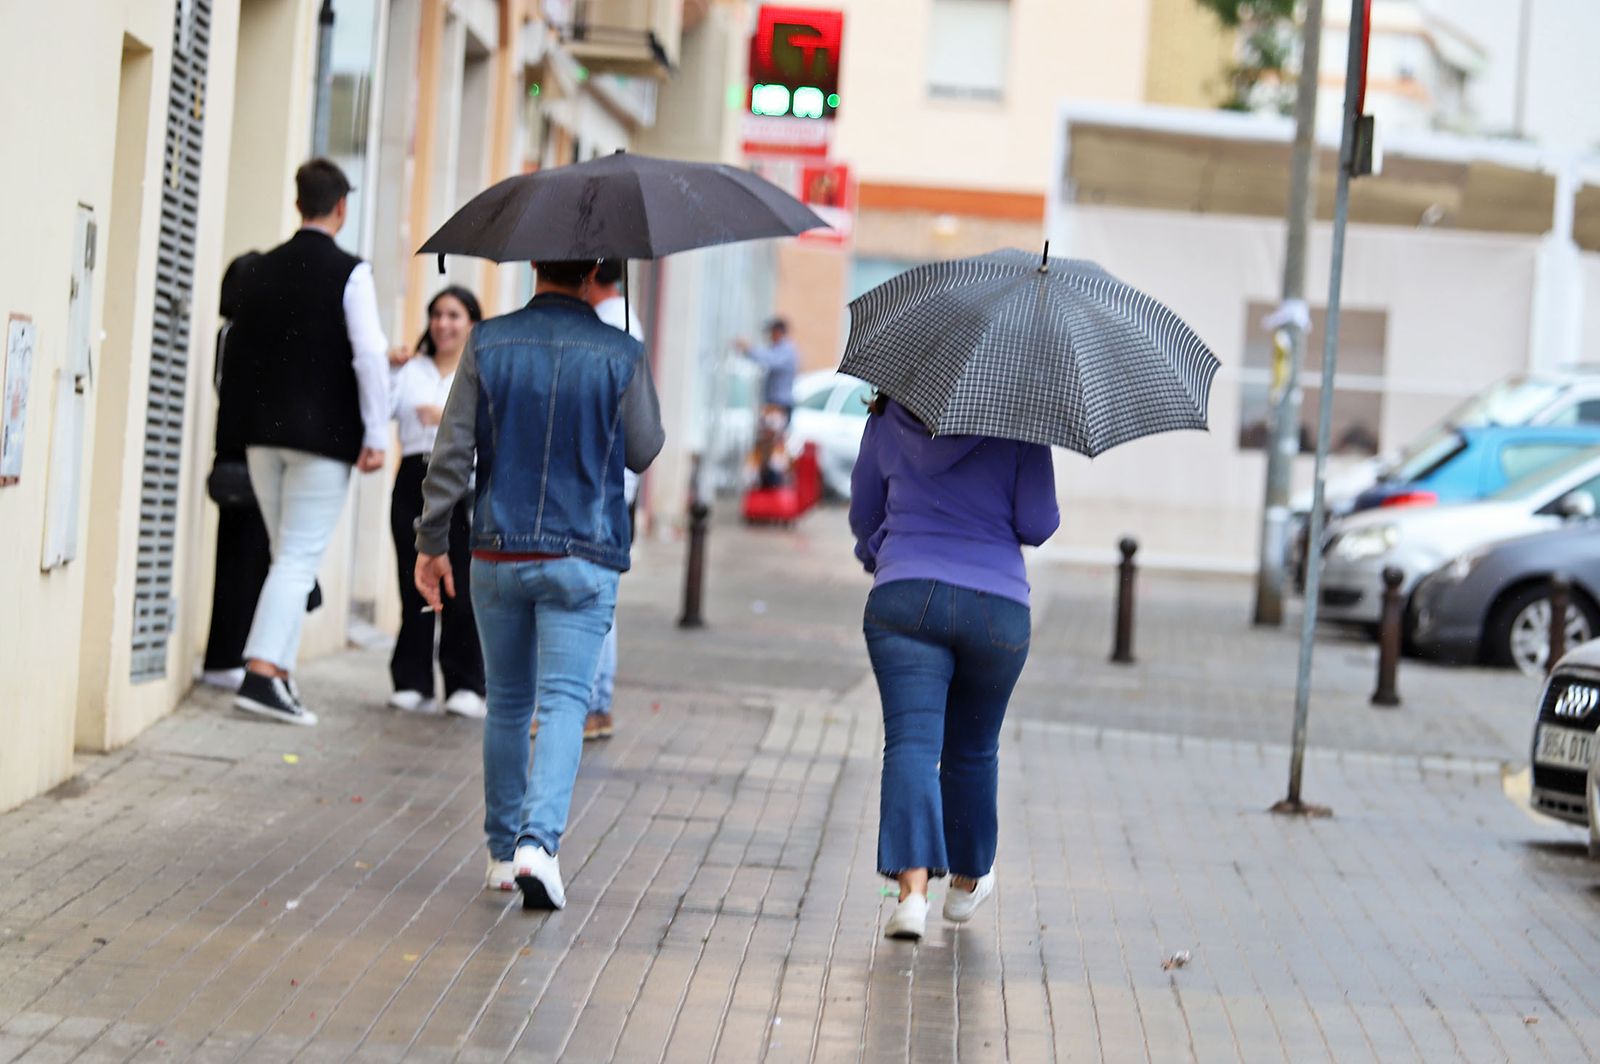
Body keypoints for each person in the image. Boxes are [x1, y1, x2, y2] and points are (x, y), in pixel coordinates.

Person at [414, 259, 664, 906]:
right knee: (562, 703)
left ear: (532, 264)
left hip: (497, 549)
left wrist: (432, 541)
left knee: (507, 703)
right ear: (593, 270)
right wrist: (628, 372)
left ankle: (502, 854)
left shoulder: (488, 342)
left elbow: (451, 454)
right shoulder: (620, 350)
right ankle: (538, 844)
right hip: (583, 554)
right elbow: (644, 448)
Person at [848, 395, 1059, 942]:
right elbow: (1037, 523)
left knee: (911, 745)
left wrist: (881, 554)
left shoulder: (888, 414)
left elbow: (864, 513)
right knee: (974, 748)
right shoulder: (1022, 417)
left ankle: (911, 897)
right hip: (997, 608)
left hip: (904, 596)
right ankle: (966, 882)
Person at [224, 158, 389, 725]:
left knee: (286, 557)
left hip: (260, 438)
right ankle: (261, 673)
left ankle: (280, 675)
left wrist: (237, 429)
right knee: (297, 558)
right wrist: (376, 432)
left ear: (299, 203)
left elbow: (238, 354)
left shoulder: (257, 269)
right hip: (323, 439)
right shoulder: (351, 272)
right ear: (341, 206)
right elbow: (369, 356)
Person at [200, 251, 323, 689]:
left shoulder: (250, 334)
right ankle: (227, 658)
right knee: (241, 560)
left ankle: (234, 656)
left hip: (249, 456)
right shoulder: (235, 334)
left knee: (250, 558)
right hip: (242, 458)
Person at [386, 287, 487, 718]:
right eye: (437, 314)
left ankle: (466, 684)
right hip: (413, 476)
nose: (443, 324)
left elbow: (491, 426)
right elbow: (381, 408)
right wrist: (389, 368)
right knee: (412, 581)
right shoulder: (412, 369)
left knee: (459, 583)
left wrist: (445, 417)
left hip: (461, 482)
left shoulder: (481, 371)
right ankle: (412, 680)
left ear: (472, 323)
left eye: (454, 315)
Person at [581, 259, 643, 741]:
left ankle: (595, 702)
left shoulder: (608, 328)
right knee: (599, 592)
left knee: (595, 593)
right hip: (613, 483)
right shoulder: (623, 324)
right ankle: (596, 702)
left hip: (602, 484)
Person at [735, 317, 798, 425]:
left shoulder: (786, 350)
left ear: (778, 332)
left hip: (779, 405)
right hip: (775, 404)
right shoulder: (781, 348)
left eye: (771, 332)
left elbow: (770, 359)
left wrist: (749, 349)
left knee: (772, 433)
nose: (769, 336)